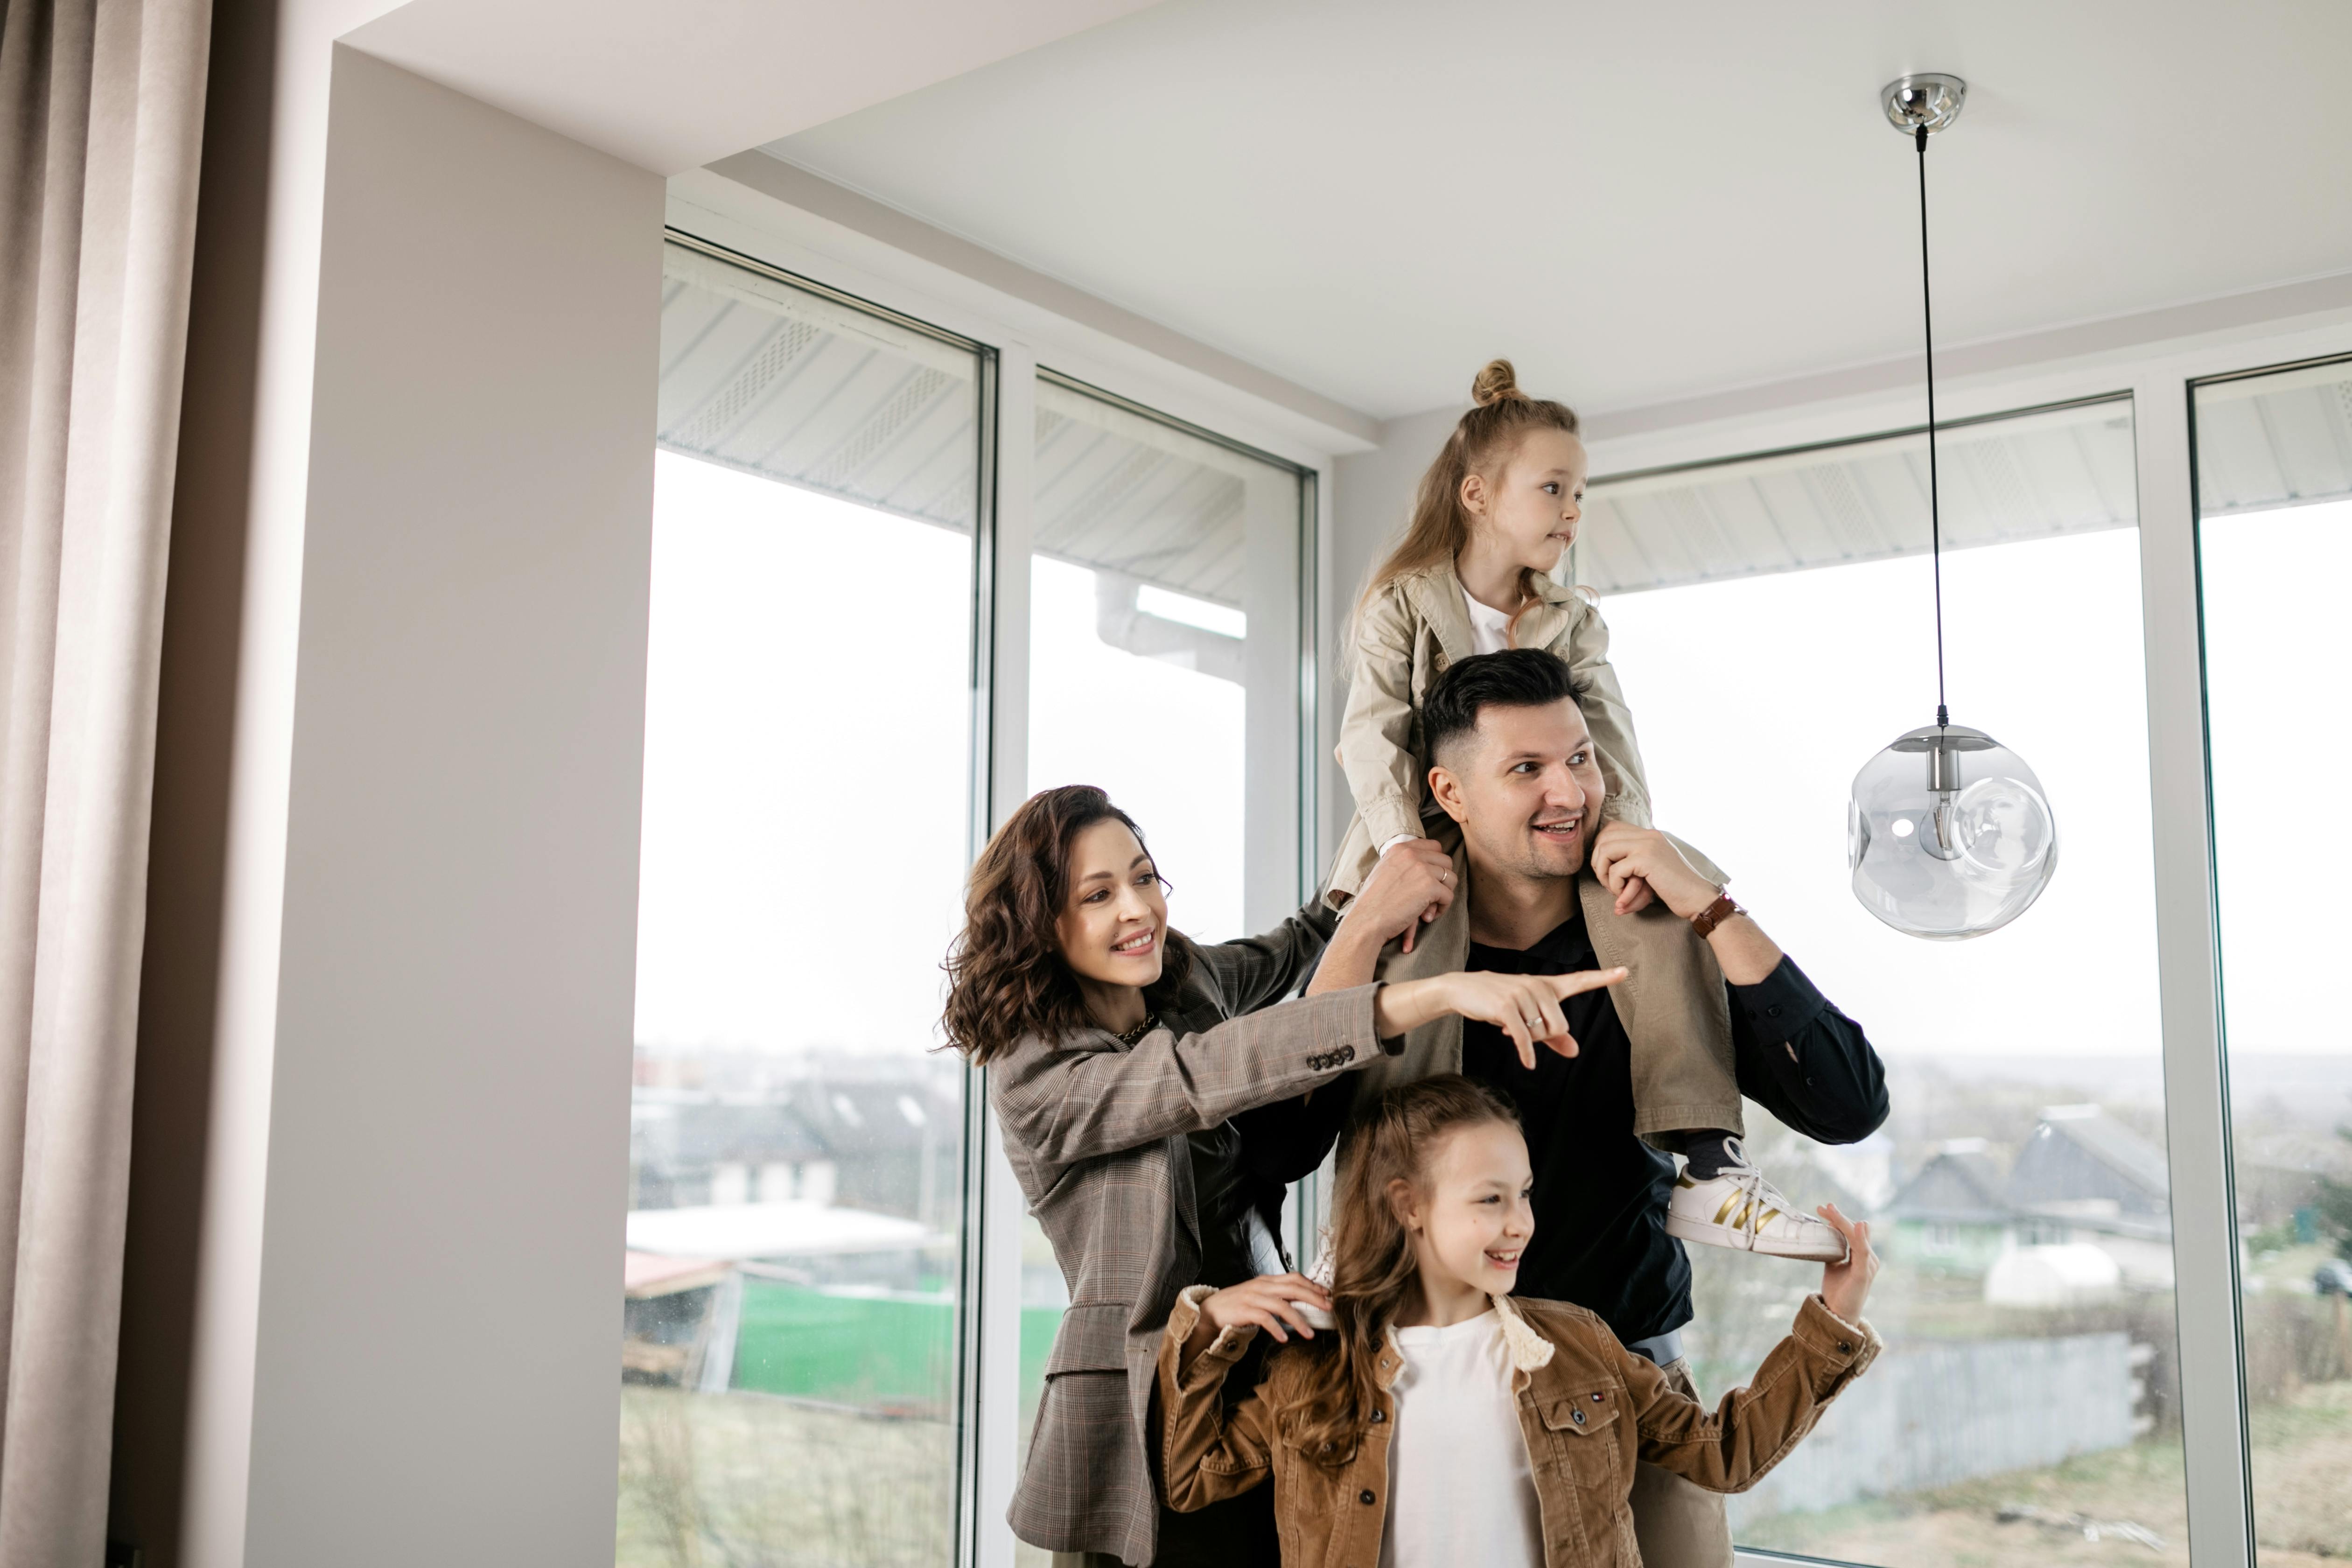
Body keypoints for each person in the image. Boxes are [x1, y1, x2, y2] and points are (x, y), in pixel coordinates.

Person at [1305, 648, 1890, 1568]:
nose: (1569, 792)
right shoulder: (1398, 941)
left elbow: (1849, 1103)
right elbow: (1285, 1137)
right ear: (1450, 794)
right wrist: (1362, 931)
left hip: (1631, 1379)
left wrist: (1706, 906)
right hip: (1417, 1381)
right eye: (1526, 769)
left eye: (1580, 758)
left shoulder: (1658, 933)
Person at [942, 784, 1621, 1568]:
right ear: (1039, 923)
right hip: (1143, 1404)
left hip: (1272, 1371)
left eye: (1144, 877)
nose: (1138, 909)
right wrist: (1436, 995)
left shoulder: (1184, 984)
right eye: (1099, 895)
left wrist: (1405, 820)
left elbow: (1298, 942)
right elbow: (1207, 1073)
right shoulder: (1034, 1075)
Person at [1327, 358, 1812, 1243]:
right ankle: (1375, 1210)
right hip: (1426, 839)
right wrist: (1401, 848)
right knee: (1409, 978)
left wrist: (1627, 841)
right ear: (1478, 495)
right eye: (1553, 488)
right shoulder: (1404, 603)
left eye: (1580, 493)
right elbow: (1372, 737)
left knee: (1655, 914)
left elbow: (1611, 739)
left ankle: (1707, 1162)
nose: (1572, 511)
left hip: (1550, 834)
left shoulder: (1573, 618)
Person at [1158, 1075, 1882, 1568]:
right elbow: (1191, 1479)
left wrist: (1835, 1319)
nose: (1521, 1224)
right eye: (1491, 1200)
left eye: (1525, 1194)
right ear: (1408, 1206)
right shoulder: (1316, 1367)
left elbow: (1726, 1454)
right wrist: (1208, 1322)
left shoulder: (1579, 1345)